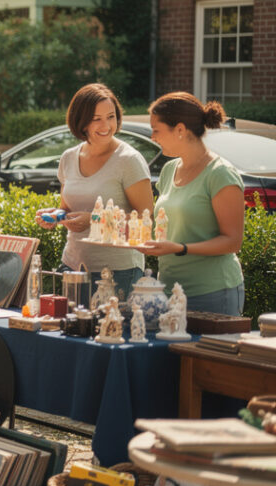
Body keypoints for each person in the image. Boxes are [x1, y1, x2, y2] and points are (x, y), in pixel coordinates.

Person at [34, 84, 154, 300]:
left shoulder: (129, 160)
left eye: (110, 117)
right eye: (96, 119)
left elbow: (146, 219)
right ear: (81, 121)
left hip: (118, 271)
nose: (106, 125)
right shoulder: (68, 158)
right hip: (73, 266)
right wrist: (56, 216)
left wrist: (93, 219)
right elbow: (67, 208)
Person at [136, 92, 245, 315]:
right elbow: (169, 227)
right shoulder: (169, 170)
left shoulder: (220, 174)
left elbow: (233, 241)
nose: (153, 137)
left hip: (213, 293)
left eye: (156, 130)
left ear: (180, 129)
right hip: (169, 291)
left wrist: (181, 248)